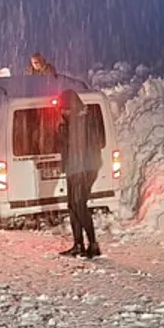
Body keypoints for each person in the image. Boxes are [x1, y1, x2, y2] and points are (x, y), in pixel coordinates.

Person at [56, 89, 104, 258]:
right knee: (73, 205)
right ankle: (78, 244)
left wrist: (63, 135)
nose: (62, 112)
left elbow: (75, 149)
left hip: (82, 169)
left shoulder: (80, 122)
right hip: (77, 169)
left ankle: (92, 244)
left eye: (65, 109)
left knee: (78, 205)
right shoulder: (78, 121)